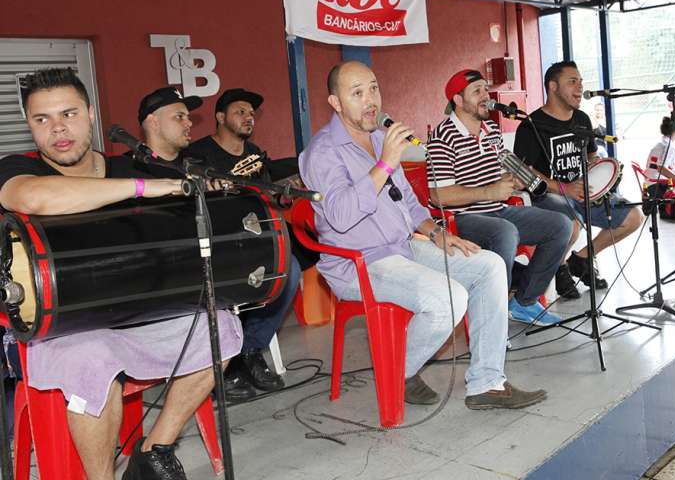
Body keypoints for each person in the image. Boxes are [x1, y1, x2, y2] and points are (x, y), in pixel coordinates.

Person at [0, 68, 243, 480]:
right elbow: (33, 197)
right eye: (42, 120)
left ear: (91, 114)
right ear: (29, 125)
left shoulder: (128, 166)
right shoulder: (16, 168)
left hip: (132, 311)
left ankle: (153, 450)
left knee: (221, 327)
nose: (58, 129)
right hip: (56, 327)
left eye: (69, 114)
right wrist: (141, 188)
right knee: (93, 359)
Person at [299, 60, 547, 410]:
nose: (370, 100)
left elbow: (410, 204)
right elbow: (340, 217)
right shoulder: (321, 154)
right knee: (448, 298)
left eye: (373, 88)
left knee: (489, 266)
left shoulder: (380, 139)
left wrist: (435, 232)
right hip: (360, 263)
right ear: (335, 103)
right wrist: (384, 164)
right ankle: (398, 370)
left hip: (403, 248)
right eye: (357, 93)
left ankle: (486, 382)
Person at [426, 69, 572, 319]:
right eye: (477, 91)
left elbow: (505, 164)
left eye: (485, 89)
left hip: (498, 210)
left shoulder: (491, 129)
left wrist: (522, 180)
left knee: (560, 224)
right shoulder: (442, 138)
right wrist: (490, 191)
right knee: (505, 231)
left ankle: (523, 302)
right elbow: (440, 196)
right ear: (458, 101)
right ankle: (492, 316)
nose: (485, 95)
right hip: (461, 218)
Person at [185, 88, 301, 399]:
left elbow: (268, 199)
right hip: (217, 244)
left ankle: (249, 349)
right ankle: (227, 357)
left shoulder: (256, 155)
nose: (248, 117)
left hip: (256, 240)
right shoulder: (198, 155)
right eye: (240, 112)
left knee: (290, 271)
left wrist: (284, 194)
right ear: (220, 117)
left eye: (251, 113)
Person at [513, 61, 645, 296]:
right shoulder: (531, 125)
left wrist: (603, 172)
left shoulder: (582, 119)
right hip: (548, 197)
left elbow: (591, 156)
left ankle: (582, 258)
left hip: (584, 192)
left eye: (581, 81)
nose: (579, 87)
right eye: (572, 81)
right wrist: (564, 188)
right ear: (552, 87)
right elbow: (521, 170)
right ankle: (560, 266)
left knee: (634, 216)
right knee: (571, 223)